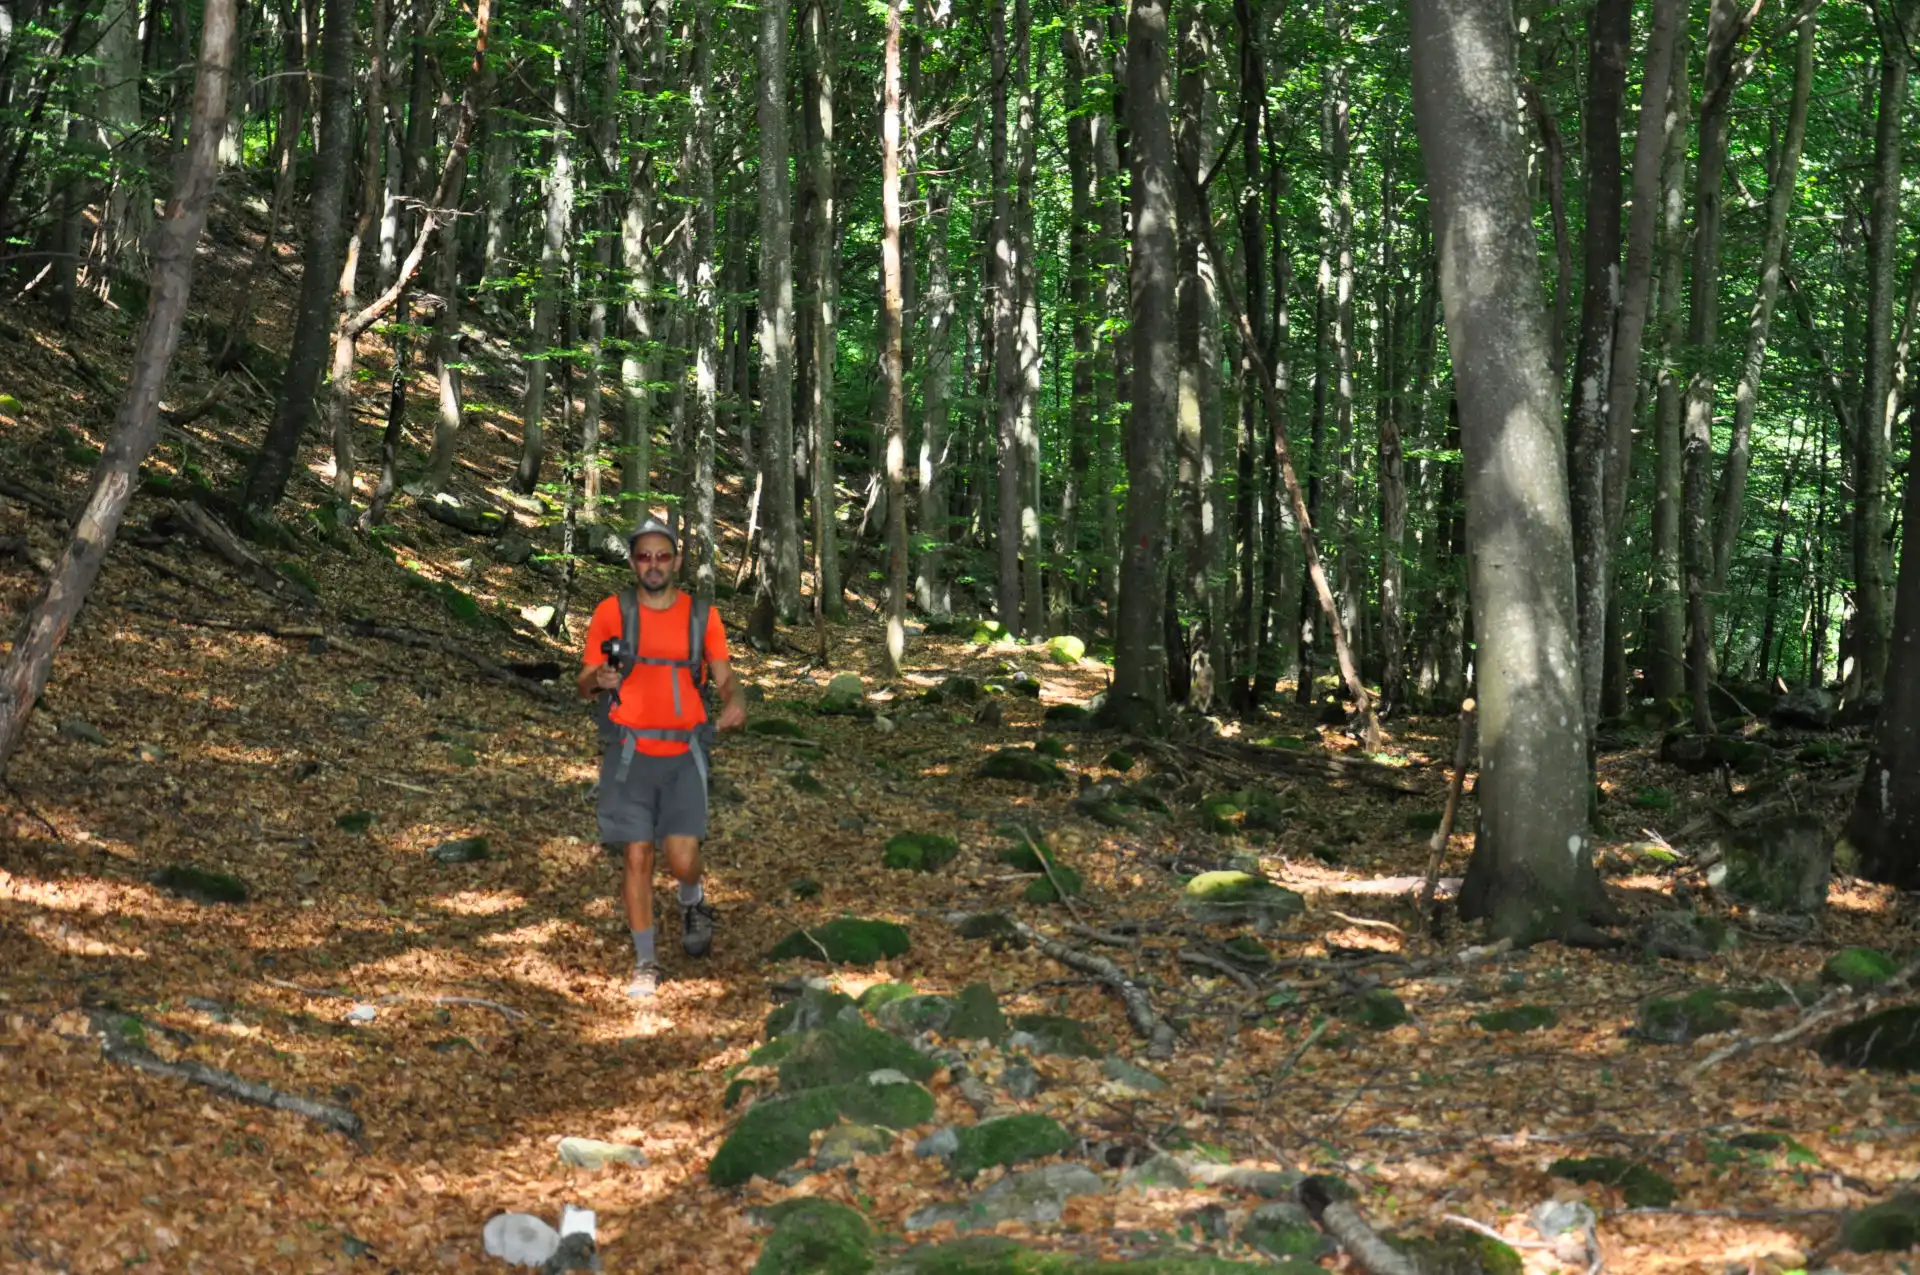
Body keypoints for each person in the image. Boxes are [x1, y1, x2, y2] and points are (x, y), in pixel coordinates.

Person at [577, 518, 747, 999]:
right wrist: (598, 682)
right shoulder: (611, 612)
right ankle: (646, 961)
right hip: (629, 751)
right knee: (637, 855)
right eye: (644, 557)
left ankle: (692, 900)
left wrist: (736, 701)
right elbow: (584, 679)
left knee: (683, 856)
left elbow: (724, 676)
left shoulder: (702, 617)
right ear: (633, 563)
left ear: (676, 561)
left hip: (684, 750)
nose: (653, 564)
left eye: (662, 556)